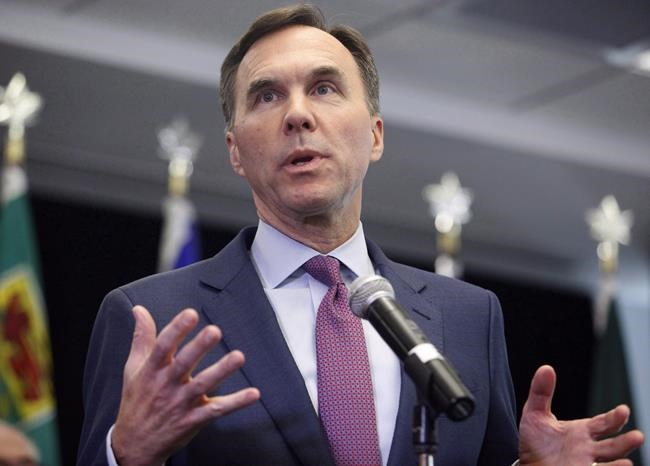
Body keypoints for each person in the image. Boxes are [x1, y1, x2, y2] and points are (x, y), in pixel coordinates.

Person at [77, 4, 644, 466]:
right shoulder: (152, 317)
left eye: (324, 88)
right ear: (235, 152)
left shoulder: (470, 317)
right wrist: (126, 455)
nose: (297, 115)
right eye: (267, 95)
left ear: (374, 136)